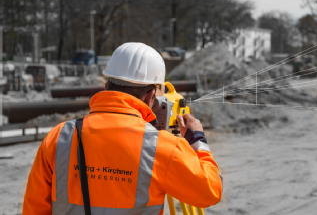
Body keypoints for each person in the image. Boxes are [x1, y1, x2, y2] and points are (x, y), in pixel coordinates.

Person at [23, 43, 222, 214]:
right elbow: (210, 192)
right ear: (150, 95)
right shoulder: (162, 147)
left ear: (107, 85)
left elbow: (34, 209)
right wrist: (198, 140)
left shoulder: (58, 137)